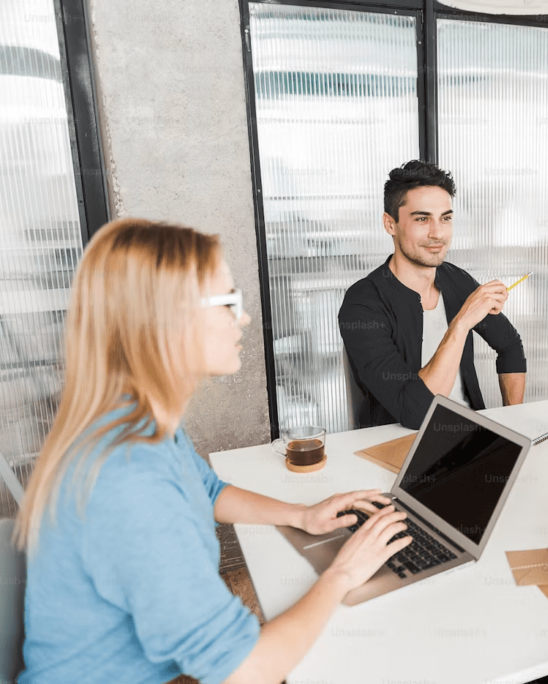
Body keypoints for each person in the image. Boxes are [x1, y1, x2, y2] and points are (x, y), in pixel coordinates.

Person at [14, 219, 412, 684]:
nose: (243, 318)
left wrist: (303, 515)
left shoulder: (134, 418)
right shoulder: (128, 478)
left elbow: (207, 491)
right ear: (164, 321)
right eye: (228, 303)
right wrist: (342, 573)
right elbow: (246, 671)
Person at [338, 160, 527, 430]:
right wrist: (461, 323)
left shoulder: (457, 280)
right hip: (400, 444)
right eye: (422, 219)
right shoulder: (363, 304)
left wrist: (513, 424)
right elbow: (417, 414)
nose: (438, 233)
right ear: (390, 224)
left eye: (446, 218)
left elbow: (510, 346)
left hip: (471, 436)